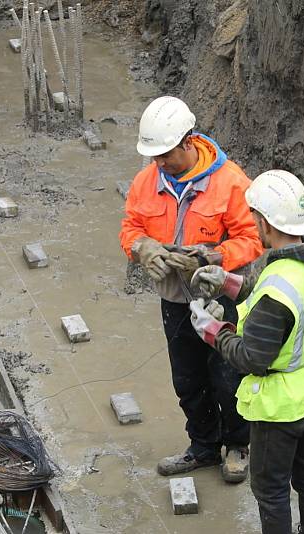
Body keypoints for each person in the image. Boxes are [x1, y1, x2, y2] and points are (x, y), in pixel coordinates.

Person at [188, 170, 304, 534]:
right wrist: (231, 283)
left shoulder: (280, 285)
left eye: (255, 218)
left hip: (282, 406)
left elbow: (251, 358)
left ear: (265, 222)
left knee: (270, 489)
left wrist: (214, 332)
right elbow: (286, 306)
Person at [118, 96, 263, 482]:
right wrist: (141, 247)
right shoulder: (147, 181)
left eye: (165, 154)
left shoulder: (230, 182)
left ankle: (236, 445)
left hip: (219, 301)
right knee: (187, 379)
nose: (159, 163)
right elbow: (130, 228)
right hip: (174, 299)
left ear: (188, 141)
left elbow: (253, 239)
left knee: (226, 377)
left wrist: (213, 258)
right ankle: (202, 447)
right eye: (154, 156)